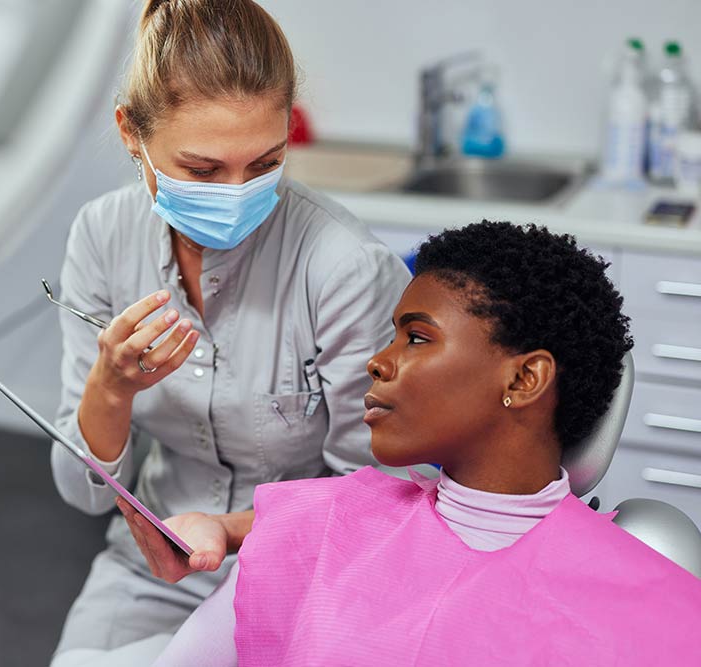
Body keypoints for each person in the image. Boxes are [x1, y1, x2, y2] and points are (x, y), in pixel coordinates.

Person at [123, 221, 701, 665]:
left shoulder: (629, 591)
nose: (379, 361)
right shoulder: (321, 526)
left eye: (417, 337)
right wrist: (222, 529)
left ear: (524, 380)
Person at [48, 1, 411, 664]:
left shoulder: (343, 268)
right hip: (150, 568)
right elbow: (83, 491)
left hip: (307, 569)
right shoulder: (102, 237)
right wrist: (109, 388)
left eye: (266, 162)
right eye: (204, 170)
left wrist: (232, 530)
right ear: (132, 134)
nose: (239, 193)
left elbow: (383, 500)